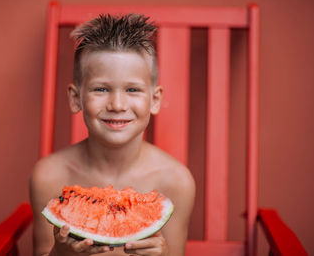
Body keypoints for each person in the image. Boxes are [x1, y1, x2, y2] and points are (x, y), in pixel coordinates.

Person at [30, 13, 195, 256]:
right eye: (101, 89)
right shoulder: (48, 176)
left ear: (155, 100)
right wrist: (59, 253)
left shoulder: (177, 182)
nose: (117, 104)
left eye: (132, 89)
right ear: (76, 98)